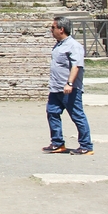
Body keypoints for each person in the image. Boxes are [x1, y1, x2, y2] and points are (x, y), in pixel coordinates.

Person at [43, 16, 93, 155]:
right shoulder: (59, 44)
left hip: (69, 89)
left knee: (77, 116)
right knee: (52, 112)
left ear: (61, 29)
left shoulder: (73, 45)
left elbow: (76, 66)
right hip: (56, 88)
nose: (51, 30)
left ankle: (86, 146)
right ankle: (57, 143)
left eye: (53, 27)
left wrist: (69, 83)